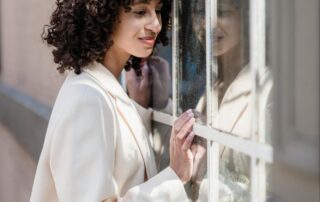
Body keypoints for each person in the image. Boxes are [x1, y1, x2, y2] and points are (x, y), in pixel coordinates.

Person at [30, 0, 200, 201]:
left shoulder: (101, 88)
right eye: (140, 11)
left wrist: (141, 108)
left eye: (159, 10)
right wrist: (175, 177)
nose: (156, 24)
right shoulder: (87, 99)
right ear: (102, 15)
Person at [126, 0, 273, 201]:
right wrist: (158, 105)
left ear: (248, 18)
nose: (207, 24)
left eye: (221, 12)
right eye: (198, 13)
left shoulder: (270, 90)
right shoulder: (213, 85)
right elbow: (186, 155)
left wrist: (206, 174)